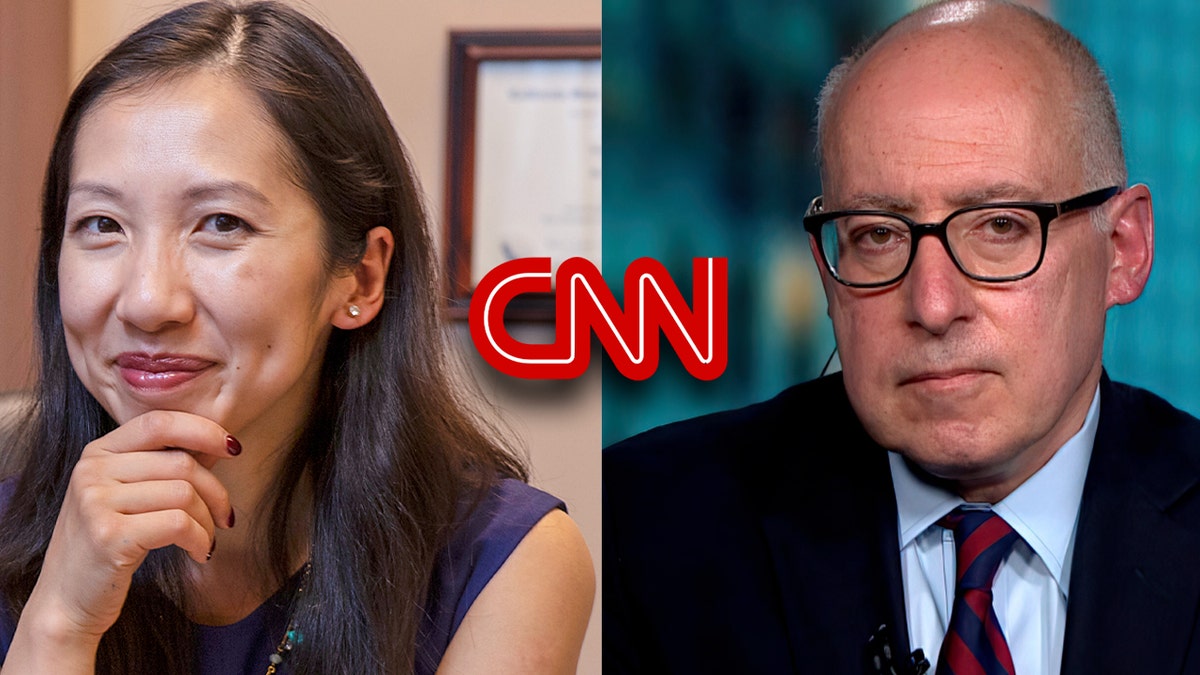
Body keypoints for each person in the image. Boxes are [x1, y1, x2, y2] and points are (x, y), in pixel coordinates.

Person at [604, 1, 1200, 673]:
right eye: (878, 237)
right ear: (830, 280)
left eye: (1000, 226)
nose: (934, 305)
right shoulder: (646, 528)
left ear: (1123, 249)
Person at [0, 2, 594, 673]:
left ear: (361, 278)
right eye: (102, 225)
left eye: (221, 222)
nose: (146, 301)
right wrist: (59, 624)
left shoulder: (503, 560)